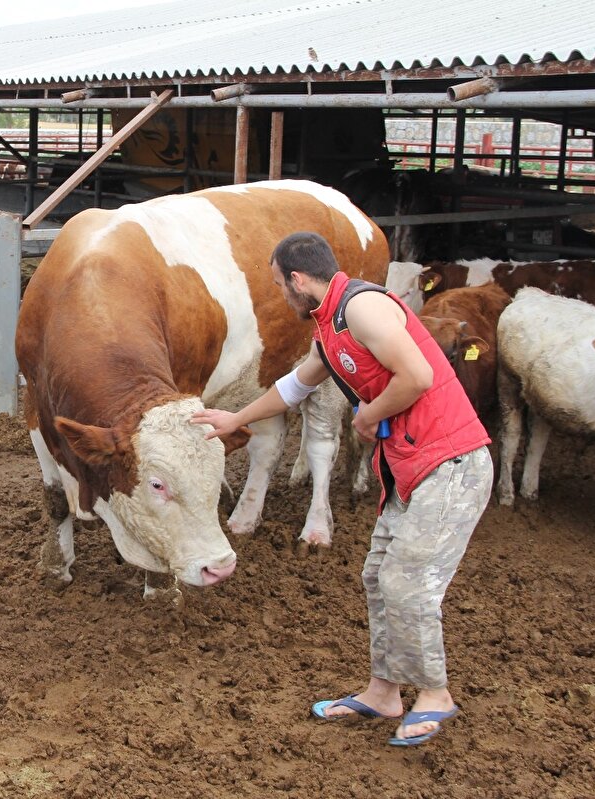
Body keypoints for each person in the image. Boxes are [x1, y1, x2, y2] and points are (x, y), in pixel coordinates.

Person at [191, 232, 491, 746]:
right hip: (411, 464)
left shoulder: (364, 308)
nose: (280, 294)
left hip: (452, 462)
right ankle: (383, 692)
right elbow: (295, 386)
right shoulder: (329, 327)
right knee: (378, 576)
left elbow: (416, 376)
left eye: (279, 284)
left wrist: (369, 414)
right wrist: (235, 418)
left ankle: (435, 693)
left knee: (408, 583)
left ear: (298, 278)